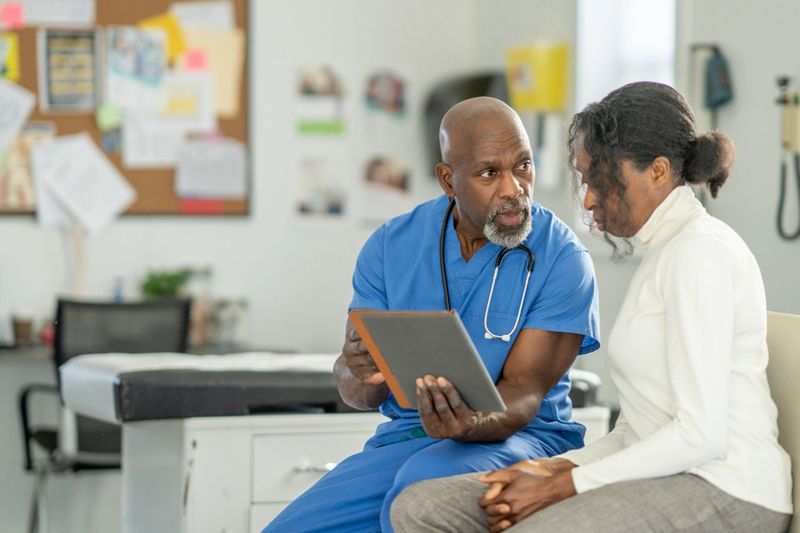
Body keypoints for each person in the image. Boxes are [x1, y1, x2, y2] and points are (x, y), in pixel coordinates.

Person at [390, 81, 794, 533]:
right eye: (583, 180)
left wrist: (565, 485)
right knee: (421, 507)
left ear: (657, 172)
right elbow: (634, 432)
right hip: (659, 473)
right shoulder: (662, 253)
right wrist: (553, 469)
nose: (586, 198)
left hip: (726, 489)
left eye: (598, 179)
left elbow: (699, 437)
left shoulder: (701, 251)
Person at [263, 97, 601, 533]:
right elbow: (356, 386)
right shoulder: (391, 247)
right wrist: (359, 372)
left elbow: (524, 393)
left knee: (415, 493)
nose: (514, 188)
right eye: (488, 173)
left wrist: (471, 423)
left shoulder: (562, 257)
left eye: (523, 166)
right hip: (409, 437)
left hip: (523, 439)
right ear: (447, 180)